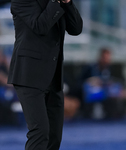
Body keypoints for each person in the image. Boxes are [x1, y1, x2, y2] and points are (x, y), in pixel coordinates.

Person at [7, 0, 83, 149]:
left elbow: (76, 29)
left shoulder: (58, 3)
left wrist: (67, 3)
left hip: (54, 77)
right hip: (29, 76)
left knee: (54, 137)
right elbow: (40, 26)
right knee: (40, 132)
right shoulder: (21, 1)